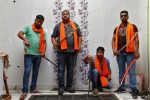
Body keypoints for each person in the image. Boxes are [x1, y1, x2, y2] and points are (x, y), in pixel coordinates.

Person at [51, 10, 82, 95]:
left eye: (66, 14)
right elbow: (53, 37)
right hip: (61, 52)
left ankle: (69, 86)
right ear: (61, 16)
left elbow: (80, 36)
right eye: (63, 14)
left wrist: (79, 46)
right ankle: (61, 87)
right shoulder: (57, 26)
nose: (65, 15)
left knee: (70, 70)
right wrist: (54, 42)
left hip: (72, 52)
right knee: (61, 70)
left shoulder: (75, 25)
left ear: (69, 15)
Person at [111, 10, 140, 99]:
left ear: (128, 17)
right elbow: (113, 40)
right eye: (122, 16)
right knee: (121, 71)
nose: (123, 17)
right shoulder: (116, 28)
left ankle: (133, 89)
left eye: (125, 15)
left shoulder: (133, 26)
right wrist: (114, 49)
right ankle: (122, 87)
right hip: (120, 53)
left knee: (131, 71)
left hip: (130, 53)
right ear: (120, 17)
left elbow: (136, 40)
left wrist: (136, 51)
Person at [17, 15, 47, 100]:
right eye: (38, 21)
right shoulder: (28, 28)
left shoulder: (43, 32)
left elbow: (44, 43)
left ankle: (33, 88)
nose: (39, 23)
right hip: (29, 55)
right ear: (35, 20)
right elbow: (19, 34)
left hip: (38, 55)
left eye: (41, 22)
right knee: (27, 71)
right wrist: (25, 39)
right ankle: (24, 91)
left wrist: (43, 52)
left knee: (35, 72)